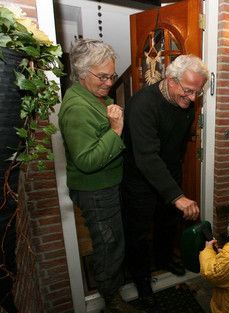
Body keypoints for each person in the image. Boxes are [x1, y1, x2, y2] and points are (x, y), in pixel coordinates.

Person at [58, 39, 142, 313]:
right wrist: (116, 130)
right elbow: (86, 160)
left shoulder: (94, 96)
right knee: (108, 245)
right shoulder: (77, 108)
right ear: (82, 73)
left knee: (114, 239)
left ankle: (113, 286)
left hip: (106, 184)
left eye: (112, 75)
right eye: (102, 76)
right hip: (95, 190)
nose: (109, 82)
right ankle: (112, 300)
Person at [121, 54, 208, 301]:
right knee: (138, 233)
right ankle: (141, 280)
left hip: (168, 173)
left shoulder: (186, 104)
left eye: (197, 93)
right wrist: (178, 196)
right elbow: (146, 157)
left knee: (167, 222)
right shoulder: (142, 104)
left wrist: (173, 186)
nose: (192, 99)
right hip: (138, 177)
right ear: (171, 80)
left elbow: (176, 145)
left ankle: (164, 259)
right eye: (189, 91)